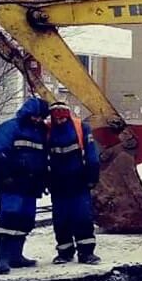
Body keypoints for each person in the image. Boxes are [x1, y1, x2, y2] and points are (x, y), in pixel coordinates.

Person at [0, 97, 50, 275]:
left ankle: (16, 256)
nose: (38, 120)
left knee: (26, 219)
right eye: (36, 116)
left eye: (41, 117)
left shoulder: (40, 132)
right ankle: (2, 259)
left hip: (30, 184)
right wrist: (6, 175)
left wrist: (43, 179)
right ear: (28, 113)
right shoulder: (10, 127)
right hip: (11, 182)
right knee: (9, 215)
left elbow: (42, 158)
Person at [47, 101, 101, 265]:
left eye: (62, 118)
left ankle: (82, 252)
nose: (61, 121)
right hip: (63, 183)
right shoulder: (51, 130)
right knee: (65, 218)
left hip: (76, 182)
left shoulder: (78, 129)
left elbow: (92, 157)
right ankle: (69, 251)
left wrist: (92, 177)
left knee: (80, 217)